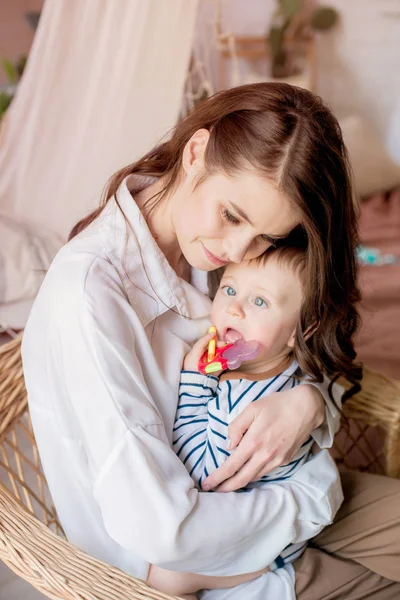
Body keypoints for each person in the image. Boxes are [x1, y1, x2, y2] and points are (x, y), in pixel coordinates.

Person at [21, 83, 400, 599]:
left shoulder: (219, 248)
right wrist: (312, 497)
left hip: (277, 484)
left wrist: (309, 402)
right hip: (187, 561)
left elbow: (306, 348)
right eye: (232, 216)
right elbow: (163, 527)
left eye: (265, 237)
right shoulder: (90, 295)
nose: (238, 250)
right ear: (196, 153)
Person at [148, 244, 342, 600]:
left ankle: (240, 575)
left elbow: (200, 472)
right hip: (276, 526)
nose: (234, 308)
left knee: (166, 580)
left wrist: (194, 382)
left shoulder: (242, 403)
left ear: (298, 330)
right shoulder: (287, 368)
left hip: (263, 543)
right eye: (230, 289)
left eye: (260, 302)